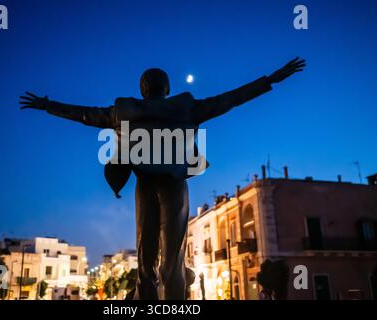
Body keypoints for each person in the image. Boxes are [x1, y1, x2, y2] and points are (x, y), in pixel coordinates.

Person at [20, 58, 305, 300]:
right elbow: (230, 99)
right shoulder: (186, 106)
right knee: (173, 257)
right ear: (167, 89)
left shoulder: (123, 109)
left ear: (142, 89)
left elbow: (84, 114)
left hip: (145, 184)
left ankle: (145, 297)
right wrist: (271, 80)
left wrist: (48, 105)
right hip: (174, 184)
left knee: (146, 254)